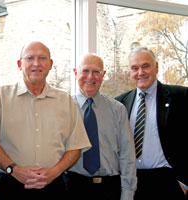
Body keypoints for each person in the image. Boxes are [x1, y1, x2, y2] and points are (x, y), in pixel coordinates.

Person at [0, 41, 91, 198]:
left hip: (54, 186)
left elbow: (76, 146)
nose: (36, 63)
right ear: (19, 64)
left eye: (42, 58)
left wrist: (54, 172)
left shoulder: (66, 101)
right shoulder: (0, 97)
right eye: (29, 58)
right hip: (9, 185)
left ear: (50, 64)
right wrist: (13, 169)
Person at [116, 46, 188, 200]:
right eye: (134, 68)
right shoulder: (120, 103)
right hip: (132, 183)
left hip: (168, 181)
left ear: (156, 67)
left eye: (145, 66)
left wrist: (184, 182)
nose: (140, 73)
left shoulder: (181, 97)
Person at [67, 53, 137, 199]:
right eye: (85, 71)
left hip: (109, 188)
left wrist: (128, 193)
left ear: (103, 74)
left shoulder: (118, 110)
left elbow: (127, 156)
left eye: (96, 71)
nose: (90, 77)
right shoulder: (63, 109)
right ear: (75, 73)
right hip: (73, 187)